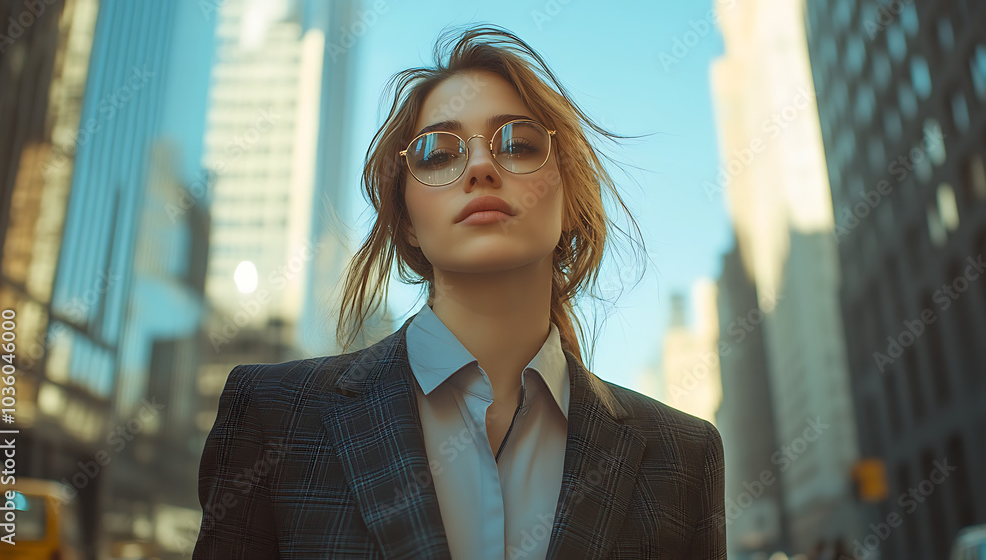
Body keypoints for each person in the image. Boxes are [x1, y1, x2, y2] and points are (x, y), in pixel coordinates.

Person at [193, 24, 725, 559]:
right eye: (436, 153)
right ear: (405, 221)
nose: (480, 166)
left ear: (569, 202)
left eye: (517, 144)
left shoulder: (682, 453)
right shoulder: (274, 415)